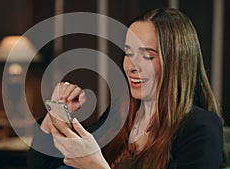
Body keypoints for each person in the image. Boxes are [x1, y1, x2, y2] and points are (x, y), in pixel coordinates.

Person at [28, 8, 225, 169]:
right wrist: (55, 112)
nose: (132, 66)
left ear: (176, 62)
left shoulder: (200, 128)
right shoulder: (119, 115)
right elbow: (40, 165)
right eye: (128, 53)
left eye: (147, 56)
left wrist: (95, 166)